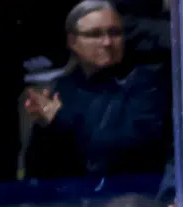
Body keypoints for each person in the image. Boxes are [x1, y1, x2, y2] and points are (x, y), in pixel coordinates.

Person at [23, 1, 170, 183]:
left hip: (128, 195)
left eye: (115, 33)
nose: (107, 42)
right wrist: (46, 127)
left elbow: (128, 146)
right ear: (72, 41)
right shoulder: (64, 87)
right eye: (95, 34)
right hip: (69, 201)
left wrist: (60, 121)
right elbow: (39, 166)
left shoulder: (145, 82)